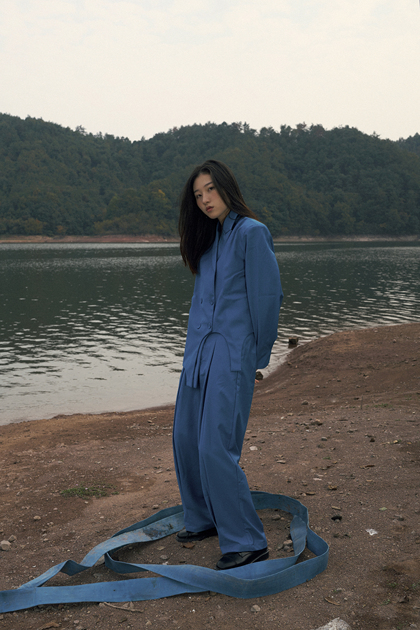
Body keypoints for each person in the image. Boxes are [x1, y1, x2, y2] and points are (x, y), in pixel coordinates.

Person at [172, 159, 283, 571]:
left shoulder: (252, 233)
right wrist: (191, 352)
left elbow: (267, 299)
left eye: (210, 190)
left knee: (214, 446)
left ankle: (247, 541)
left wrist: (255, 358)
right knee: (185, 438)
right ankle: (203, 518)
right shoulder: (209, 239)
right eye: (198, 194)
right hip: (198, 350)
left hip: (231, 353)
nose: (205, 199)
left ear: (226, 187)